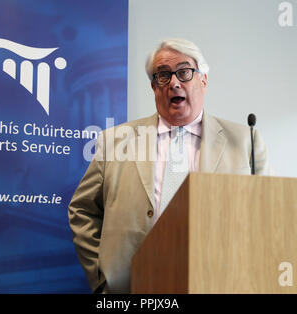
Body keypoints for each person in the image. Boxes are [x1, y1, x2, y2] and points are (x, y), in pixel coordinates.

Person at [68, 38, 272, 294]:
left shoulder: (245, 141)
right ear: (154, 86)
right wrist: (101, 277)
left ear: (203, 80)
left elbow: (265, 216)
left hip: (218, 283)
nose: (174, 82)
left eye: (184, 72)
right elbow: (82, 210)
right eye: (163, 75)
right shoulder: (115, 141)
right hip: (132, 288)